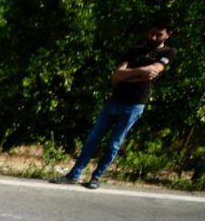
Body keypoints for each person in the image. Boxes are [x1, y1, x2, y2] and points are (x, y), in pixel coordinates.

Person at [51, 17, 178, 189]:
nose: (153, 37)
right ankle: (74, 174)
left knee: (114, 144)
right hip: (115, 100)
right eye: (151, 33)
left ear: (168, 35)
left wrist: (129, 74)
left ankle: (96, 177)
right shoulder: (135, 50)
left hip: (134, 104)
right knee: (92, 139)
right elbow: (117, 75)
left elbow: (154, 71)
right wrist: (140, 72)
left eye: (158, 34)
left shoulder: (168, 52)